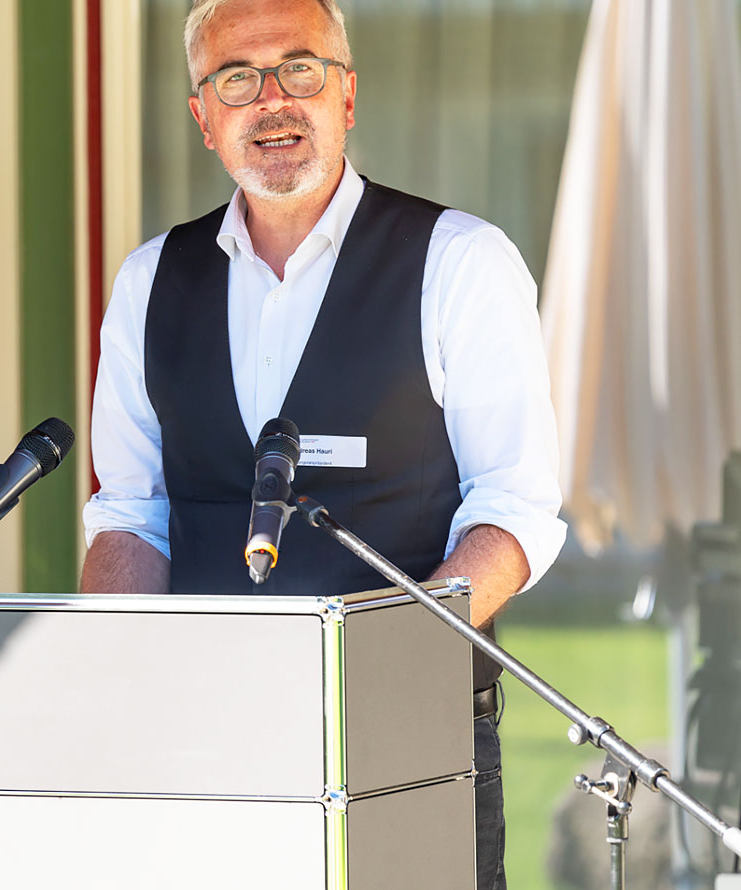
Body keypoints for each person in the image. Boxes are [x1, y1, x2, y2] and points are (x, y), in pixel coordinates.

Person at [79, 2, 566, 888]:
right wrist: (116, 677)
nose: (273, 101)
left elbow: (517, 508)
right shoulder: (151, 280)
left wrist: (394, 667)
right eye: (237, 78)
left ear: (348, 95)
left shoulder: (461, 262)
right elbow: (131, 515)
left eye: (301, 69)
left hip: (407, 744)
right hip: (203, 747)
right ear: (203, 118)